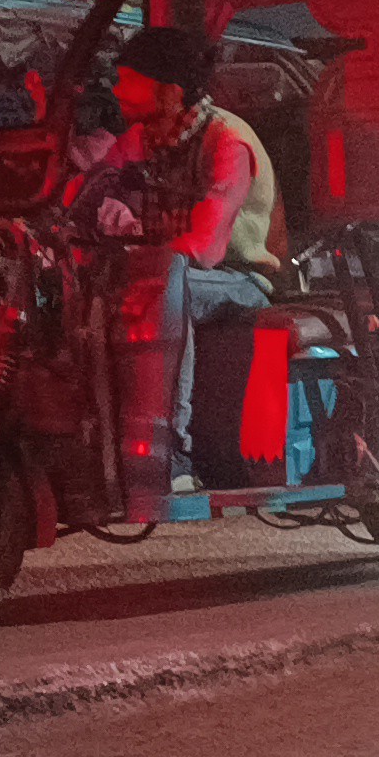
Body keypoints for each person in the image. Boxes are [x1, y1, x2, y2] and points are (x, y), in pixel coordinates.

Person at [90, 25, 278, 490]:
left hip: (239, 280)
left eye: (129, 81)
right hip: (170, 271)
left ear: (170, 91)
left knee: (164, 292)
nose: (118, 90)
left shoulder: (227, 142)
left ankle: (172, 452)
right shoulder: (145, 136)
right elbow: (92, 181)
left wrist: (138, 259)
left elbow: (205, 248)